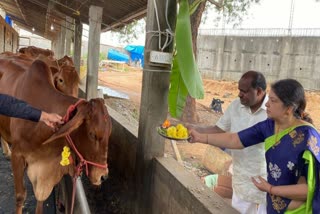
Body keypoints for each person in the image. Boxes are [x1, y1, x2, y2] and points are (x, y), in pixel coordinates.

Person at [188, 79, 320, 214]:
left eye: (273, 101)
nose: (267, 104)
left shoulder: (308, 138)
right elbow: (235, 139)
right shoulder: (269, 126)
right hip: (274, 205)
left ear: (289, 109)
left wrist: (270, 189)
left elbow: (308, 190)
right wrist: (201, 137)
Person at [190, 70, 268, 214]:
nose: (239, 94)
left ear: (258, 91)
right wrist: (194, 130)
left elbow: (234, 139)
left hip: (267, 178)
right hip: (241, 176)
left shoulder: (272, 111)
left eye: (244, 91)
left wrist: (201, 137)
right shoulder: (236, 105)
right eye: (239, 90)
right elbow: (219, 130)